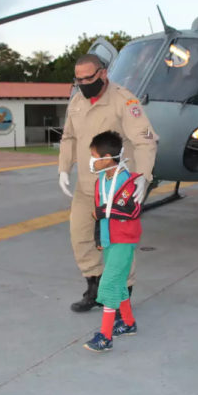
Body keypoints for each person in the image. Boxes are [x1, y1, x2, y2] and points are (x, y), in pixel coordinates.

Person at [59, 54, 158, 312]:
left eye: (88, 78)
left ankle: (122, 298)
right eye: (78, 79)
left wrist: (143, 177)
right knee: (80, 236)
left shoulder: (124, 100)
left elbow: (145, 141)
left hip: (116, 189)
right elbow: (68, 137)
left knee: (119, 244)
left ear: (102, 74)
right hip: (85, 184)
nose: (82, 84)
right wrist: (63, 169)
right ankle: (94, 288)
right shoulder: (77, 101)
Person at [83, 131, 141, 352]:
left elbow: (129, 210)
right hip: (109, 240)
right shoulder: (102, 179)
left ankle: (105, 336)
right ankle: (127, 323)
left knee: (108, 285)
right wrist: (100, 237)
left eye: (94, 156)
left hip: (123, 241)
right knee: (117, 281)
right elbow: (101, 213)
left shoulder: (125, 180)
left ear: (107, 158)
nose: (92, 161)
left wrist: (103, 213)